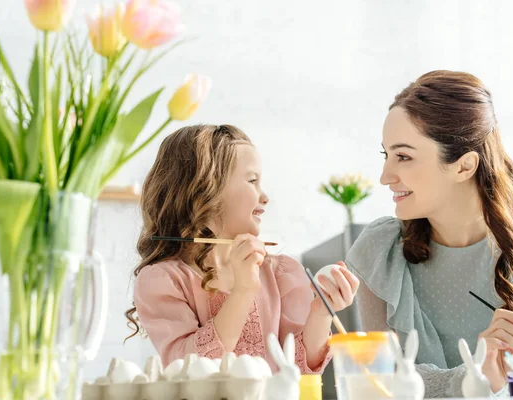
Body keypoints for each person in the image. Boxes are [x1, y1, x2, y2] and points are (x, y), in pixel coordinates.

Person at [346, 70, 513, 398]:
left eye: (403, 156)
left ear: (464, 166)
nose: (385, 176)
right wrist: (476, 377)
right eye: (386, 155)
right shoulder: (380, 253)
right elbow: (380, 383)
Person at [125, 124, 360, 373]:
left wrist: (321, 312)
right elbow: (187, 368)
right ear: (203, 191)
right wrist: (243, 291)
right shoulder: (164, 280)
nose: (265, 196)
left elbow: (299, 367)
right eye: (252, 181)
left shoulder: (281, 273)